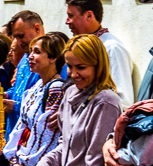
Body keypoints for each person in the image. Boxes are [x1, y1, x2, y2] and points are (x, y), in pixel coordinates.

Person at [38, 34, 122, 166]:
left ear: (98, 66)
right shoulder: (70, 92)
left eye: (81, 67)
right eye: (70, 66)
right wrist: (46, 162)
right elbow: (65, 146)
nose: (73, 74)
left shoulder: (106, 102)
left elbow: (95, 160)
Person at [65, 0, 133, 110]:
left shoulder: (112, 48)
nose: (67, 21)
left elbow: (123, 102)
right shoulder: (82, 45)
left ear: (89, 16)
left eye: (71, 16)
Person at [4, 35, 66, 166]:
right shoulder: (37, 86)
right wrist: (14, 158)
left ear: (53, 57)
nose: (30, 56)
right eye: (31, 51)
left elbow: (47, 138)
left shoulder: (56, 89)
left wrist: (25, 161)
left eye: (37, 52)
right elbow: (21, 126)